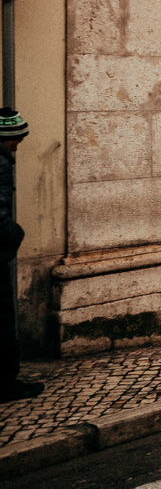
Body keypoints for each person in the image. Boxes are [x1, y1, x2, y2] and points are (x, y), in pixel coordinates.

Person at [0, 107, 42, 402]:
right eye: (15, 140)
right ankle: (6, 384)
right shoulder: (1, 163)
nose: (17, 146)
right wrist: (15, 234)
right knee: (2, 320)